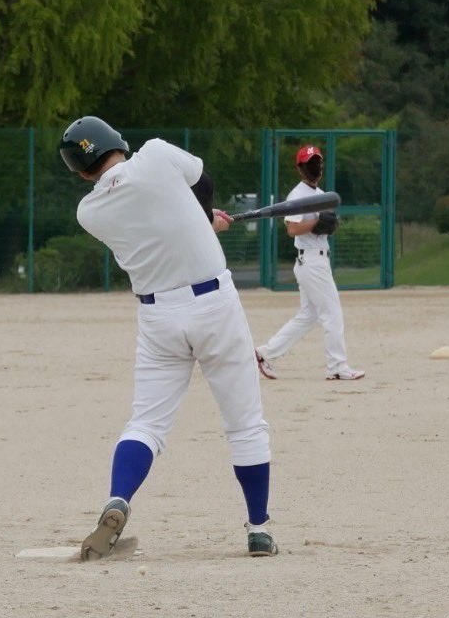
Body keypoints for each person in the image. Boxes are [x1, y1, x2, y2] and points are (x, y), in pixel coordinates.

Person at [59, 116, 277, 559]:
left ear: (82, 172)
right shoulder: (157, 153)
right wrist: (203, 217)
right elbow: (203, 180)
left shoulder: (89, 212)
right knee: (244, 424)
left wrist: (196, 221)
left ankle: (118, 500)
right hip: (215, 305)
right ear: (117, 142)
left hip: (158, 317)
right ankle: (257, 528)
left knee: (146, 424)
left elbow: (152, 219)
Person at [255, 144, 365, 382]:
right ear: (300, 168)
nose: (314, 167)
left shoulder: (319, 195)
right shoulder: (297, 196)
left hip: (316, 259)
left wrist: (327, 226)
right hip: (312, 261)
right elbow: (292, 228)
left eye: (317, 163)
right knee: (332, 314)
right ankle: (337, 366)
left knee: (308, 317)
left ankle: (264, 354)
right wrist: (316, 224)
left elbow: (323, 225)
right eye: (309, 164)